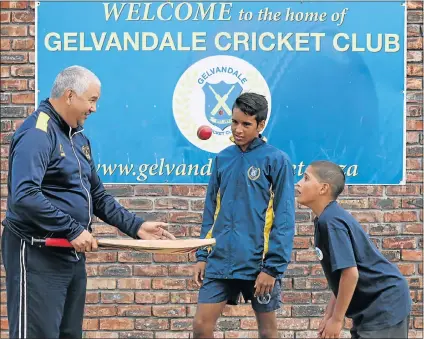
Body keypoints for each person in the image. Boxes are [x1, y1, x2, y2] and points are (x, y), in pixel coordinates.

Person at [1, 65, 175, 339]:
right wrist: (72, 229)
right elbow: (24, 196)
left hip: (70, 256)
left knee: (69, 334)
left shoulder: (78, 138)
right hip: (37, 253)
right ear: (70, 95)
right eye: (92, 100)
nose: (94, 109)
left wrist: (137, 227)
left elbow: (98, 196)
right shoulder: (37, 133)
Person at [192, 92, 295, 338]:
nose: (238, 129)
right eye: (234, 122)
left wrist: (272, 268)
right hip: (219, 260)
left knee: (268, 332)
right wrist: (202, 254)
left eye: (246, 124)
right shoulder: (222, 159)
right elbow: (211, 210)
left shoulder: (276, 160)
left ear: (260, 125)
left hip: (258, 263)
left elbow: (284, 217)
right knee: (200, 327)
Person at [295, 160, 412, 339]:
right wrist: (329, 315)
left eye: (306, 178)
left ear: (323, 188)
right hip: (372, 306)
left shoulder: (331, 221)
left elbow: (351, 274)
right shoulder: (325, 219)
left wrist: (337, 319)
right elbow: (341, 275)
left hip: (384, 303)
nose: (299, 183)